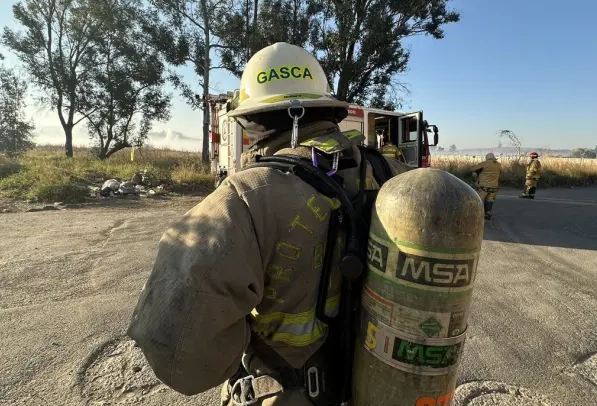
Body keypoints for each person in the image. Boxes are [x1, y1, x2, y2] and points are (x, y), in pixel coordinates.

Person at [126, 42, 411, 406]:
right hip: (384, 388)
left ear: (254, 119)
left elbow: (182, 359)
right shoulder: (396, 175)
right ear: (326, 110)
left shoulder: (246, 196)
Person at [471, 152, 501, 220]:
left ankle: (478, 213)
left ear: (487, 158)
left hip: (484, 186)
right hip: (494, 187)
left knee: (479, 199)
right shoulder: (498, 165)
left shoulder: (484, 163)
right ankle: (488, 212)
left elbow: (474, 169)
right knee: (490, 199)